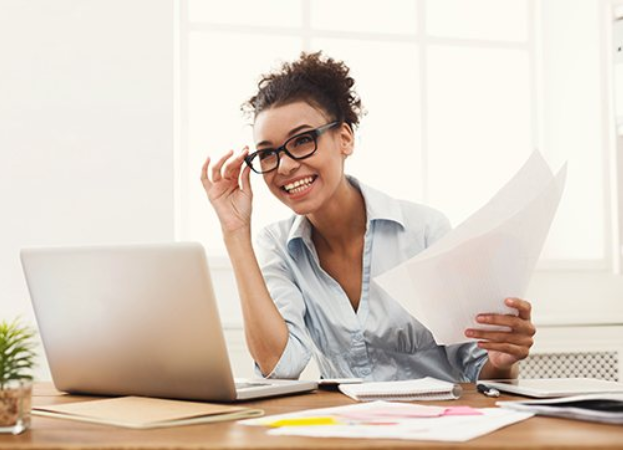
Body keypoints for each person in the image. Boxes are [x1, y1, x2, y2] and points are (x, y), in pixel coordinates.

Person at [200, 51, 535, 382]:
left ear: (344, 139)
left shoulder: (424, 231)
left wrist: (502, 360)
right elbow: (280, 365)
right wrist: (235, 232)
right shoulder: (277, 246)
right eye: (268, 153)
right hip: (348, 430)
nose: (284, 165)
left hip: (439, 427)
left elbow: (482, 371)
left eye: (302, 141)